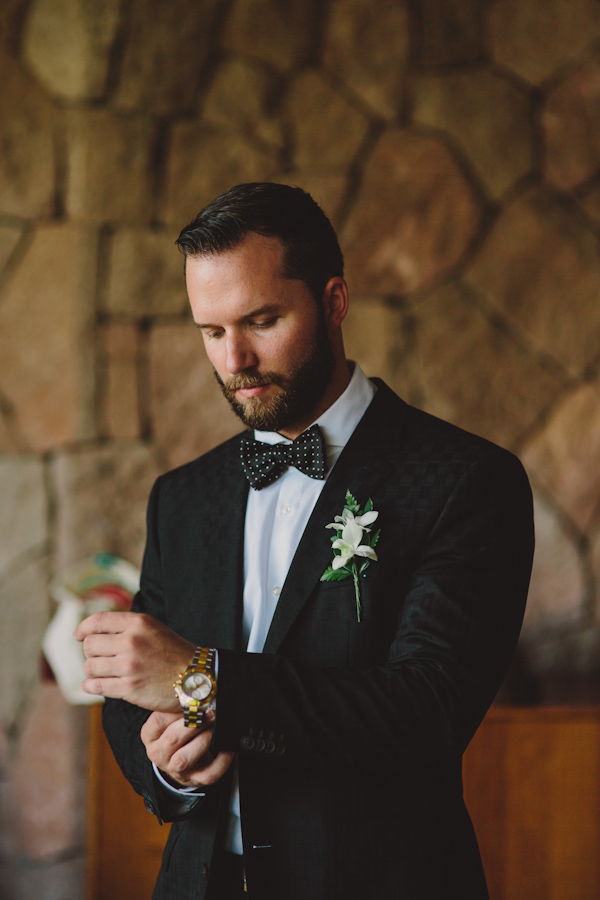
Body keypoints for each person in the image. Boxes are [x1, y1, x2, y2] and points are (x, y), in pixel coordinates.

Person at [76, 182, 534, 900]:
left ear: (334, 301)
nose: (236, 360)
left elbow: (427, 712)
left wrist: (204, 682)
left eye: (262, 320)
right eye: (212, 331)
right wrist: (166, 767)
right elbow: (136, 699)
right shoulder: (183, 497)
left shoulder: (468, 481)